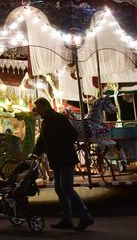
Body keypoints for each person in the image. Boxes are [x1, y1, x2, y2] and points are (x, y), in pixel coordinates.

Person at [32, 97, 94, 231]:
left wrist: (58, 145)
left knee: (66, 188)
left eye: (38, 109)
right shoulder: (47, 121)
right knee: (60, 189)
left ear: (45, 106)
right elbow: (42, 140)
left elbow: (72, 135)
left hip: (64, 158)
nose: (37, 112)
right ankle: (67, 218)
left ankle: (85, 216)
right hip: (58, 159)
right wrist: (36, 152)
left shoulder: (58, 119)